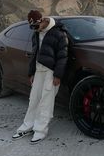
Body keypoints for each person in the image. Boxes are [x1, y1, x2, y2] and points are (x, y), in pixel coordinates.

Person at [12, 10, 68, 144]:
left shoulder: (59, 33)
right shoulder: (35, 34)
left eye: (35, 27)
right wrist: (31, 73)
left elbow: (63, 57)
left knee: (46, 102)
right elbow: (34, 53)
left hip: (51, 71)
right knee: (33, 99)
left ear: (42, 21)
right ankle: (27, 126)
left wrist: (58, 75)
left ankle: (40, 130)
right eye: (31, 27)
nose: (34, 30)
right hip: (38, 71)